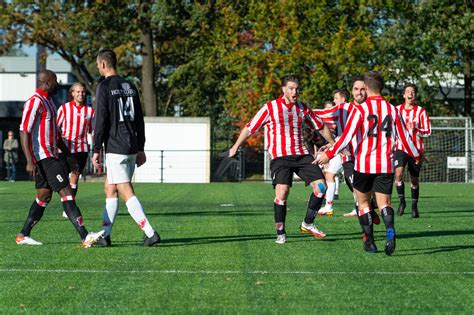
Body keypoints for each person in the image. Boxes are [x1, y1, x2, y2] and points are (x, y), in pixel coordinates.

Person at [318, 71, 420, 255]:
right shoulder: (393, 109)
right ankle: (390, 231)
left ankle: (370, 242)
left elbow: (346, 137)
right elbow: (406, 138)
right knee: (384, 204)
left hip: (364, 165)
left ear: (366, 87)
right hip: (386, 165)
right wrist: (417, 154)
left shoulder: (360, 110)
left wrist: (330, 153)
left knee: (363, 204)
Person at [228, 74, 334, 244]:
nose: (295, 92)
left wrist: (334, 144)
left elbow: (320, 126)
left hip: (301, 154)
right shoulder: (270, 108)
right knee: (282, 192)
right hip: (280, 157)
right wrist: (235, 146)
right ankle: (281, 232)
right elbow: (250, 128)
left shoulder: (303, 108)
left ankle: (307, 223)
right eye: (291, 88)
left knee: (321, 187)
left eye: (297, 89)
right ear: (283, 89)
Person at [16, 69, 104, 247]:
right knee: (66, 191)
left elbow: (56, 135)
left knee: (44, 196)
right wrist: (29, 160)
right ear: (46, 82)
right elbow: (24, 130)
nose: (57, 84)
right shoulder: (35, 102)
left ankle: (23, 235)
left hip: (52, 154)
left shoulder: (50, 102)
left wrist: (69, 154)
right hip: (44, 157)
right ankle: (85, 236)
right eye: (55, 80)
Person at [92, 49, 160, 247]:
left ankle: (150, 232)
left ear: (103, 65)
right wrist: (141, 147)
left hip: (115, 146)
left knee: (124, 189)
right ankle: (105, 234)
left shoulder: (104, 87)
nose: (98, 67)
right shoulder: (130, 85)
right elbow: (139, 119)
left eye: (98, 64)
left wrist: (96, 148)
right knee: (109, 188)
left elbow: (101, 120)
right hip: (131, 145)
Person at [57, 82, 95, 218]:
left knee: (75, 178)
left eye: (83, 92)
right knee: (63, 179)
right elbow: (56, 128)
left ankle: (68, 209)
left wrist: (96, 148)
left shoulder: (90, 111)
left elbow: (93, 131)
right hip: (65, 150)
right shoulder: (64, 108)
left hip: (81, 149)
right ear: (72, 93)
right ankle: (67, 204)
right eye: (78, 92)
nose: (81, 94)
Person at [394, 84, 431, 218]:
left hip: (415, 150)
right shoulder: (396, 110)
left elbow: (427, 131)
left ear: (415, 96)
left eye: (413, 92)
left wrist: (415, 129)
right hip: (400, 148)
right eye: (408, 91)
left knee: (414, 180)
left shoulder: (420, 111)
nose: (410, 94)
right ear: (404, 95)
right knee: (398, 174)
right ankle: (402, 202)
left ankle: (414, 207)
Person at [316, 90, 350, 216]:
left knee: (331, 175)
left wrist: (304, 110)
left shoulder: (343, 110)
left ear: (343, 99)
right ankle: (329, 206)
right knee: (337, 176)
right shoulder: (347, 112)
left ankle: (329, 206)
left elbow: (322, 113)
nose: (334, 101)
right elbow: (342, 135)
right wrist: (328, 145)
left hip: (346, 151)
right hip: (343, 149)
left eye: (336, 98)